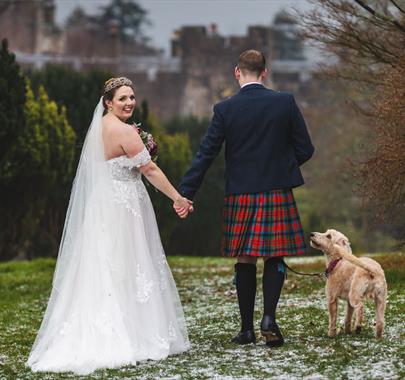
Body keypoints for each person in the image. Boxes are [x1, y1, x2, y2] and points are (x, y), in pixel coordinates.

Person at [26, 77, 192, 375]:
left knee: (104, 264)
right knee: (128, 263)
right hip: (122, 207)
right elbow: (150, 169)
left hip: (102, 206)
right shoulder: (125, 131)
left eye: (132, 97)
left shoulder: (98, 127)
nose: (129, 102)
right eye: (122, 98)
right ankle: (132, 333)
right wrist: (177, 198)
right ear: (108, 102)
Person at [178, 50, 314, 347]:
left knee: (245, 258)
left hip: (240, 193)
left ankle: (246, 329)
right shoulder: (284, 102)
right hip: (276, 190)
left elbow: (206, 154)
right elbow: (306, 148)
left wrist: (185, 193)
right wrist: (281, 169)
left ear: (236, 73)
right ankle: (269, 319)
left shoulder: (225, 109)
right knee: (274, 254)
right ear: (264, 73)